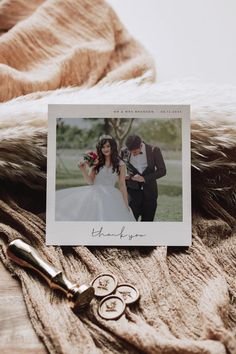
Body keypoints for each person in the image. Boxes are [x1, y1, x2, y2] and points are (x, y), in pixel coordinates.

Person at [55, 135, 135, 221]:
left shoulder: (120, 164)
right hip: (94, 195)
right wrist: (83, 170)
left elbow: (122, 185)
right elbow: (90, 182)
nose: (105, 149)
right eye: (103, 147)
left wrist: (126, 205)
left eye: (108, 146)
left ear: (113, 147)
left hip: (111, 196)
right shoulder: (96, 162)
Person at [120, 134, 166, 221]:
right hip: (132, 194)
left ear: (141, 145)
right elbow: (120, 169)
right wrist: (125, 176)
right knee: (130, 221)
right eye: (131, 152)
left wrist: (144, 178)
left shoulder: (154, 150)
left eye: (135, 152)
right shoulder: (124, 151)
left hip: (150, 193)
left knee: (147, 222)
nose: (133, 155)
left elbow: (162, 170)